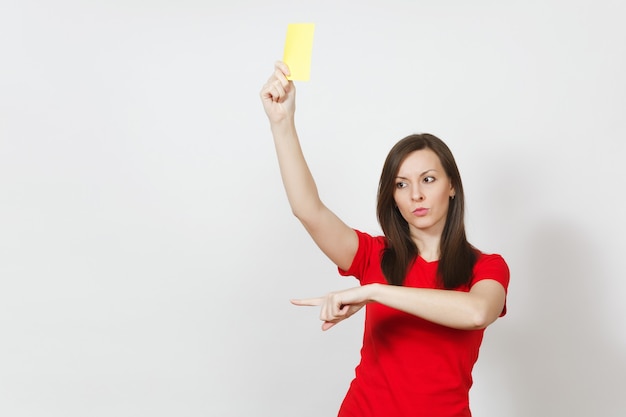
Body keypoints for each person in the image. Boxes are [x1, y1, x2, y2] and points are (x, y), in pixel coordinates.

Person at [260, 61, 510, 417]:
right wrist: (282, 124)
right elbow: (308, 210)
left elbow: (477, 312)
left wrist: (373, 291)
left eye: (428, 179)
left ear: (452, 185)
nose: (416, 195)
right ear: (392, 196)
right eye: (402, 184)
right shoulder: (373, 256)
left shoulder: (486, 267)